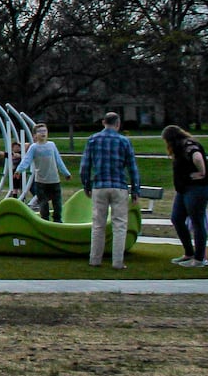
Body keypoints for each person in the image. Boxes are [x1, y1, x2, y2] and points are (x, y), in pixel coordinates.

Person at [81, 112, 140, 270]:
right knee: (119, 225)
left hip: (99, 185)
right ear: (118, 124)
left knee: (98, 224)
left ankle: (95, 259)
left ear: (103, 122)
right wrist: (135, 190)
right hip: (119, 185)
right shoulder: (124, 141)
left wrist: (86, 185)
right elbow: (132, 168)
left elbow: (85, 166)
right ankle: (117, 262)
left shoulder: (93, 140)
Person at [162, 124, 208, 268]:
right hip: (184, 189)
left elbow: (197, 156)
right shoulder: (181, 148)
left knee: (197, 223)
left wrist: (201, 173)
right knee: (177, 218)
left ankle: (199, 259)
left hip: (197, 189)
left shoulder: (189, 145)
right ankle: (189, 253)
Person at [17, 124, 71, 222]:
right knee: (43, 203)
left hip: (54, 180)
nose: (43, 133)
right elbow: (26, 160)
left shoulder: (51, 145)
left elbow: (58, 160)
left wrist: (66, 173)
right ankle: (45, 221)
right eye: (40, 131)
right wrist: (19, 170)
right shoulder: (34, 147)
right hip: (41, 181)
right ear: (35, 135)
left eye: (44, 131)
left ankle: (57, 221)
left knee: (57, 203)